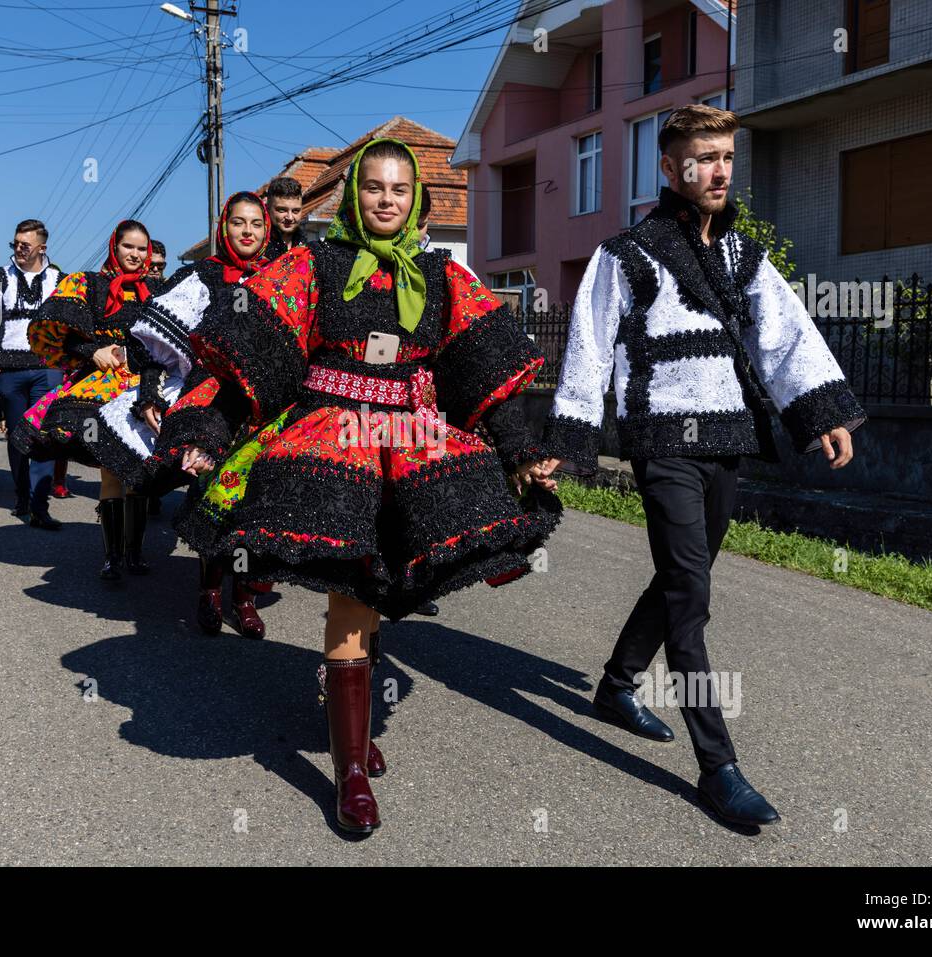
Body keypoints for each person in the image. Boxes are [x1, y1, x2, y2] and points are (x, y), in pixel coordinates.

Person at [164, 138, 560, 834]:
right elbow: (253, 360)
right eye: (373, 187)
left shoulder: (444, 277)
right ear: (352, 197)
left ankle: (355, 727)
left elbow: (484, 377)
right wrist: (205, 436)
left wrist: (521, 453)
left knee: (383, 594)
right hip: (332, 446)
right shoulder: (312, 264)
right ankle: (349, 771)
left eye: (399, 189)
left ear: (417, 199)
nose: (385, 198)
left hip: (412, 445)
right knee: (351, 598)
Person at [541, 104, 867, 829]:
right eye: (701, 157)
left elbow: (787, 335)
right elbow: (589, 348)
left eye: (725, 156)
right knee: (692, 596)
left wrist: (824, 415)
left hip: (728, 440)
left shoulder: (743, 256)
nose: (717, 169)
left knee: (684, 578)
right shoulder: (625, 255)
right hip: (663, 443)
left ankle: (617, 682)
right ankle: (719, 764)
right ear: (669, 168)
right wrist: (565, 438)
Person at [138, 191, 276, 639]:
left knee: (254, 502)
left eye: (256, 223)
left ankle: (245, 598)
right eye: (239, 222)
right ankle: (211, 591)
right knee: (214, 494)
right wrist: (151, 394)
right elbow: (159, 339)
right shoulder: (201, 276)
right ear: (224, 227)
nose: (248, 231)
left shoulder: (283, 275)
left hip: (264, 406)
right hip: (212, 403)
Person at [14, 220, 164, 580]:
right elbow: (56, 332)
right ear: (115, 247)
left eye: (142, 249)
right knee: (112, 471)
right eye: (129, 246)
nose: (136, 254)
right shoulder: (87, 284)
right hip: (102, 387)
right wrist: (92, 350)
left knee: (141, 471)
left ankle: (136, 552)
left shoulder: (159, 292)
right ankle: (112, 556)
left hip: (145, 387)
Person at [0, 219, 64, 528]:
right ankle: (22, 495)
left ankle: (40, 504)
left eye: (25, 244)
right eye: (15, 244)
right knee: (18, 436)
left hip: (46, 368)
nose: (19, 249)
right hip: (9, 370)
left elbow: (69, 323)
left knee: (44, 435)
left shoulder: (59, 279)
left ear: (41, 247)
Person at [262, 176, 304, 261]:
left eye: (295, 211)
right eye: (282, 210)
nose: (290, 217)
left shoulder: (308, 251)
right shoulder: (256, 248)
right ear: (267, 208)